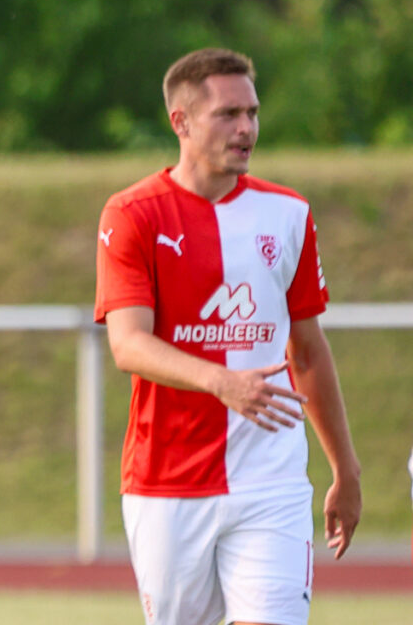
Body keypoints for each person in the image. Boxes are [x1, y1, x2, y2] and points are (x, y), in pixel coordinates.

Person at [94, 47, 362, 625]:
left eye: (253, 113)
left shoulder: (288, 214)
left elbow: (308, 350)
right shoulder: (132, 214)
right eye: (227, 114)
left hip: (272, 479)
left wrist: (345, 468)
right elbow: (128, 345)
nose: (246, 128)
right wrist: (222, 383)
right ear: (181, 122)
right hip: (167, 483)